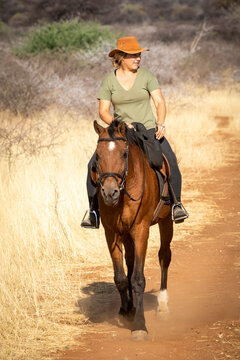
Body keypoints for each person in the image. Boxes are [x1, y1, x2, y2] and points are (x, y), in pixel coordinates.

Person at [81, 36, 188, 228]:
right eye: (132, 55)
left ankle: (177, 205)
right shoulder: (109, 80)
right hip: (122, 132)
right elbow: (103, 112)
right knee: (93, 166)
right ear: (121, 57)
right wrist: (120, 123)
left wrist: (161, 124)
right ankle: (93, 212)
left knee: (169, 161)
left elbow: (159, 101)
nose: (137, 58)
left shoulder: (147, 76)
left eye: (138, 54)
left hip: (148, 129)